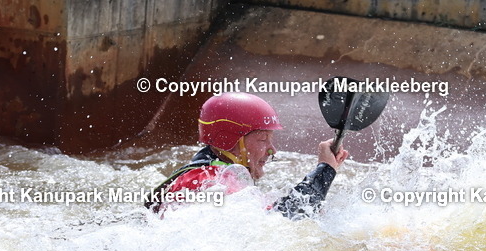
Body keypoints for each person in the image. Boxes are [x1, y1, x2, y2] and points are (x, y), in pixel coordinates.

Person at [147, 93, 349, 218]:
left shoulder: (203, 170)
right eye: (262, 139)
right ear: (229, 140)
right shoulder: (216, 181)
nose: (272, 150)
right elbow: (284, 220)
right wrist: (324, 170)